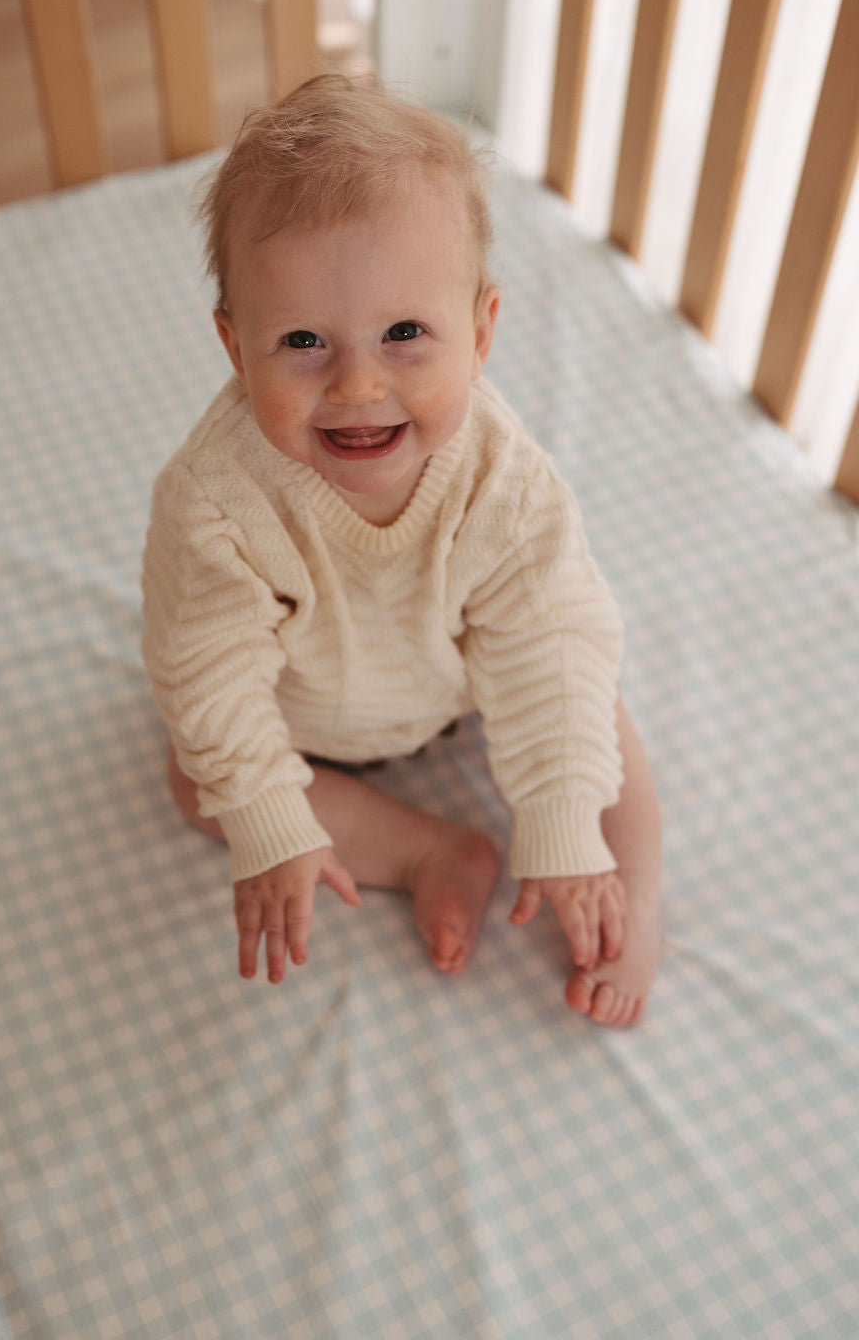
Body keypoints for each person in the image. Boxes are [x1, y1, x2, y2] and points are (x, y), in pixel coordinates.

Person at [142, 74, 662, 1027]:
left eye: (406, 334)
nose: (356, 385)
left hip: (468, 689)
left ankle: (625, 895)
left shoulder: (502, 479)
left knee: (597, 709)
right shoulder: (216, 501)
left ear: (481, 331)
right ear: (234, 347)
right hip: (307, 721)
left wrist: (556, 811)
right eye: (302, 340)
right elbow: (205, 669)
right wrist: (269, 820)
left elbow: (546, 637)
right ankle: (427, 850)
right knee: (198, 779)